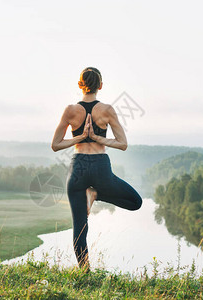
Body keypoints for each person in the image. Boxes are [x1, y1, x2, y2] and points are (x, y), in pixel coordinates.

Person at [51, 67, 142, 270]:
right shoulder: (107, 110)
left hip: (78, 168)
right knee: (136, 202)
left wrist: (79, 137)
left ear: (80, 84)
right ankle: (95, 194)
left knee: (80, 229)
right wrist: (99, 137)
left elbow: (56, 145)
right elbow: (123, 144)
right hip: (101, 167)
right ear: (100, 86)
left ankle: (85, 273)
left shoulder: (70, 110)